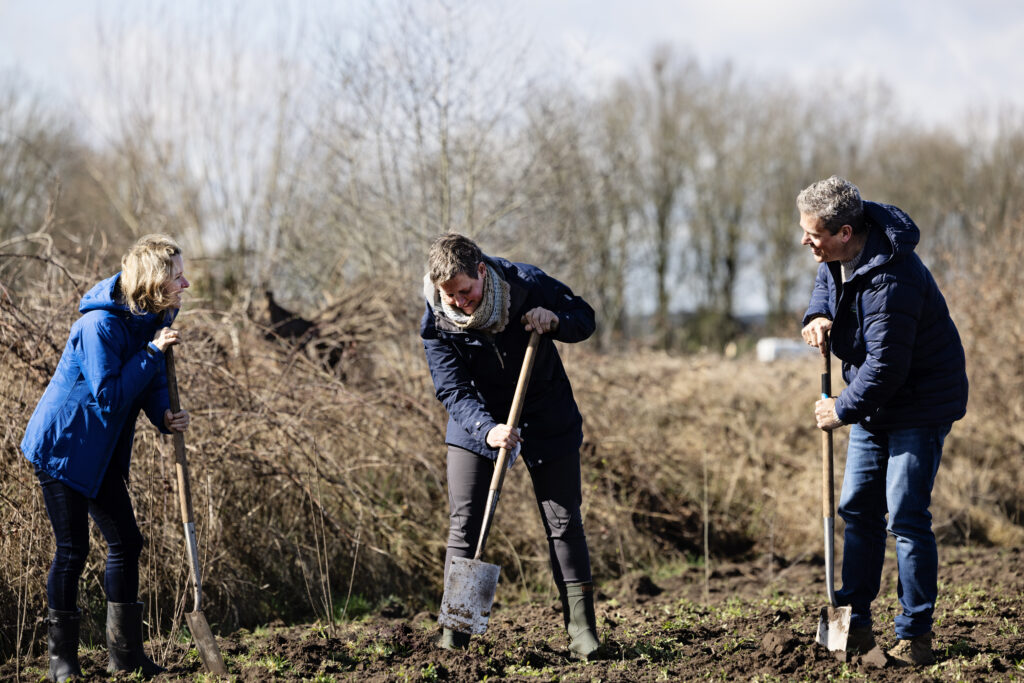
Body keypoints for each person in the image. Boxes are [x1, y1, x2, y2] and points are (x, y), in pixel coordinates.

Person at [798, 176, 968, 666]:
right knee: (857, 507)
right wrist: (818, 315)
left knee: (907, 516)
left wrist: (840, 409)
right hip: (876, 402)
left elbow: (886, 368)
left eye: (814, 234)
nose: (805, 241)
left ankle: (915, 634)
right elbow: (826, 284)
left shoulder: (894, 279)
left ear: (846, 232)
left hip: (920, 403)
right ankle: (854, 620)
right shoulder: (838, 255)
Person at [420, 233, 600, 659]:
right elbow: (451, 388)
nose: (459, 302)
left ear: (482, 270)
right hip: (476, 418)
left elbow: (584, 317)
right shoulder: (436, 319)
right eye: (449, 295)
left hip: (544, 412)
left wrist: (553, 319)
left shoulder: (526, 283)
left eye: (465, 291)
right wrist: (487, 429)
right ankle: (456, 633)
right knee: (466, 523)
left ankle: (582, 633)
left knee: (563, 522)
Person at [21, 234, 191, 681]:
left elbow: (151, 381)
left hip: (101, 452)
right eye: (177, 277)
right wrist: (154, 350)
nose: (185, 284)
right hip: (63, 447)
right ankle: (62, 663)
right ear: (155, 282)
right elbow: (111, 398)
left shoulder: (158, 314)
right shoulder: (99, 326)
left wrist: (164, 415)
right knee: (73, 549)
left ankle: (126, 657)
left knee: (127, 542)